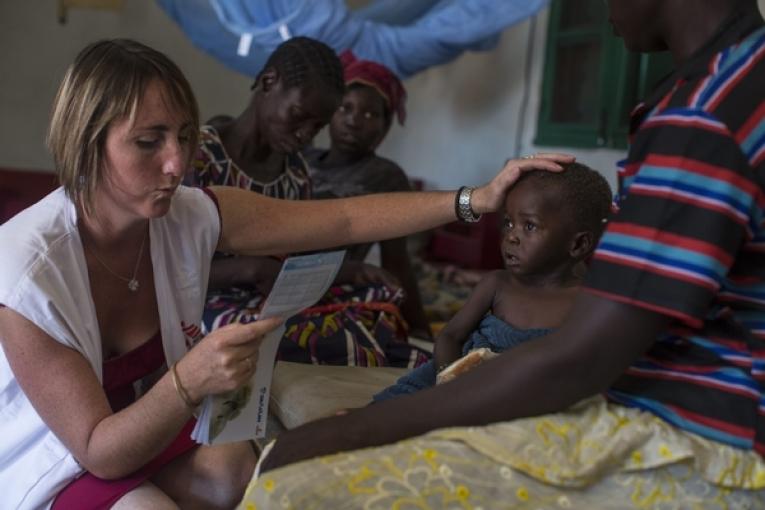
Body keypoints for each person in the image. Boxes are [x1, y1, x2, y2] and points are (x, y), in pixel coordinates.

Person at [0, 38, 568, 509]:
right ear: (87, 143)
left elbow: (340, 216)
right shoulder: (26, 270)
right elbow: (99, 449)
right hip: (63, 453)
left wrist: (479, 198)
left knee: (238, 477)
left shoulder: (186, 214)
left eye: (184, 136)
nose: (177, 163)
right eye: (149, 142)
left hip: (145, 423)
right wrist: (191, 379)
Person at [241, 1, 765, 507]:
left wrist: (353, 430)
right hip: (682, 407)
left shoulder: (705, 113)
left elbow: (579, 359)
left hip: (705, 434)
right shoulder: (736, 86)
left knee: (297, 489)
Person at [373, 162, 612, 402]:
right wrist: (450, 378)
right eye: (508, 223)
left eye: (529, 225)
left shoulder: (585, 302)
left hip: (528, 396)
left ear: (578, 245)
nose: (511, 236)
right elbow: (450, 337)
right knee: (402, 399)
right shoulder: (497, 284)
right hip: (462, 381)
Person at [280, 51, 433, 370]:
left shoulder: (385, 176)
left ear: (385, 125)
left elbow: (396, 259)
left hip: (332, 288)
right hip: (273, 279)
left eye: (369, 114)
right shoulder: (299, 158)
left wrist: (420, 328)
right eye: (345, 108)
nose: (353, 120)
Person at [185, 36, 342, 334]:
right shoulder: (198, 158)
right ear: (269, 82)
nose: (305, 134)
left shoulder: (296, 174)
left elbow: (289, 263)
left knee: (362, 316)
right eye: (298, 115)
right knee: (278, 337)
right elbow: (160, 269)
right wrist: (247, 269)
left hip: (266, 306)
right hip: (195, 306)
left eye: (318, 127)